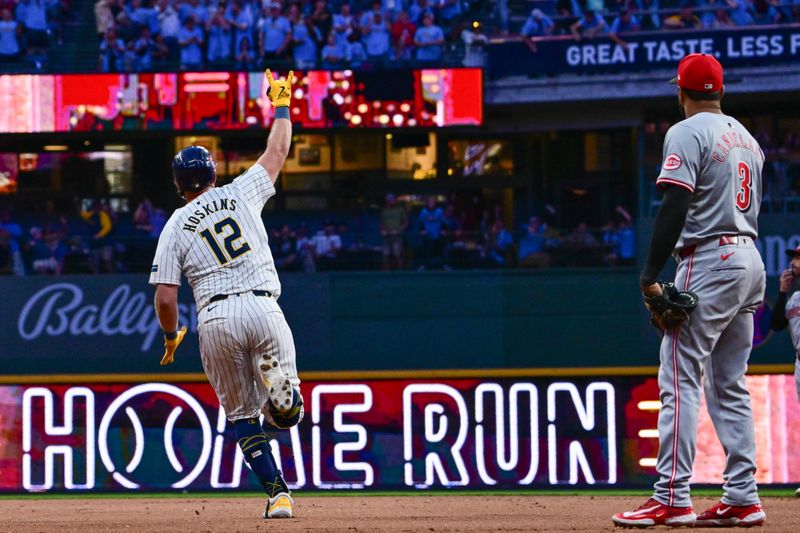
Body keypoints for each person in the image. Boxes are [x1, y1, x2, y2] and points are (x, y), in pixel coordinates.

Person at [613, 54, 767, 527]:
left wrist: (649, 274)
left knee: (678, 377)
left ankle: (672, 496)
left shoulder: (687, 131)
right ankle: (742, 497)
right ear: (720, 91)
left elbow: (675, 203)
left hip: (708, 258)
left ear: (681, 92)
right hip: (750, 258)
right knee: (729, 384)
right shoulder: (748, 138)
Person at [149, 70, 300, 519]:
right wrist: (282, 104)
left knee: (242, 417)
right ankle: (281, 393)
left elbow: (164, 297)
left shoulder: (175, 226)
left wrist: (172, 335)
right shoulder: (241, 191)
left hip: (215, 317)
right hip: (262, 304)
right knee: (287, 414)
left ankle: (279, 495)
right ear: (213, 174)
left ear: (179, 186)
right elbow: (277, 150)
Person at [769, 245, 800, 498]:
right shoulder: (794, 298)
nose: (794, 262)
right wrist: (782, 291)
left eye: (798, 258)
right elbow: (777, 323)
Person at [418, 196, 446, 269]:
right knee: (426, 251)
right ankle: (424, 266)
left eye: (433, 201)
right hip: (427, 235)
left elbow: (443, 222)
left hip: (437, 234)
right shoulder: (423, 211)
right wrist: (422, 230)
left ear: (435, 203)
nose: (431, 203)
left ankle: (442, 266)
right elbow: (420, 223)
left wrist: (443, 230)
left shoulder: (440, 211)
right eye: (429, 201)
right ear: (427, 203)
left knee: (439, 251)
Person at [381, 193, 407, 270]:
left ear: (395, 200)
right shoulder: (384, 210)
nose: (390, 201)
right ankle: (386, 274)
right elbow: (382, 223)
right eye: (389, 200)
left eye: (392, 199)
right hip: (386, 236)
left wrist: (399, 230)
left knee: (397, 254)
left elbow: (406, 222)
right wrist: (382, 230)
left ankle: (400, 273)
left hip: (397, 236)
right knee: (385, 255)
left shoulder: (400, 210)